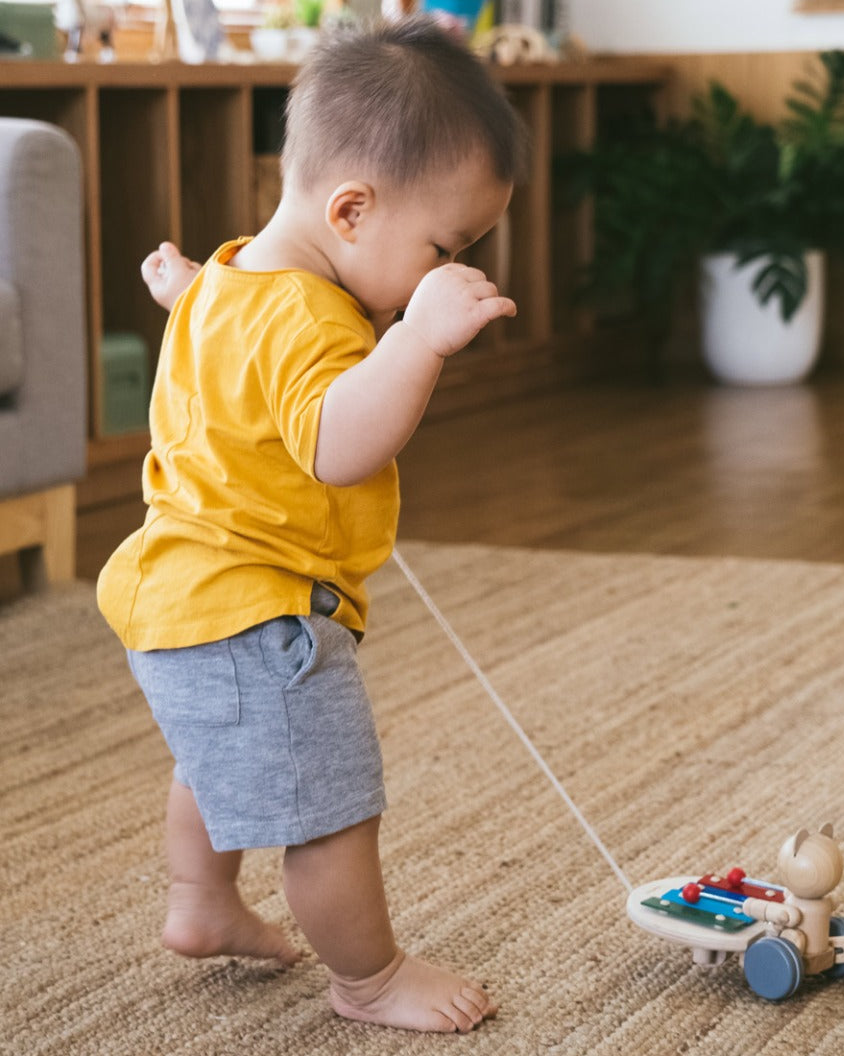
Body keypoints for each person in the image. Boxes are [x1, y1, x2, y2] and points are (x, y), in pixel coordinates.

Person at [98, 16, 527, 1034]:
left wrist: (183, 293)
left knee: (227, 754)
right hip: (258, 610)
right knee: (328, 803)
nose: (443, 272)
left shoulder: (235, 278)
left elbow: (243, 357)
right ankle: (368, 976)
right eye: (441, 248)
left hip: (178, 597)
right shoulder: (315, 319)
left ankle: (201, 904)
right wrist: (417, 339)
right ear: (349, 208)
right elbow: (339, 441)